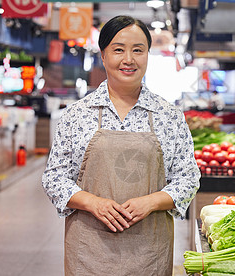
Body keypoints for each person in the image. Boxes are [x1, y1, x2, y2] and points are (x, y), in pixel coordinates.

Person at [41, 15, 200, 276]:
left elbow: (188, 178)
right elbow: (54, 178)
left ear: (148, 55)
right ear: (103, 56)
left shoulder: (169, 116)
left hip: (149, 251)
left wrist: (150, 202)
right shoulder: (76, 115)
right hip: (89, 251)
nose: (128, 59)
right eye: (118, 50)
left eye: (138, 50)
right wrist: (94, 203)